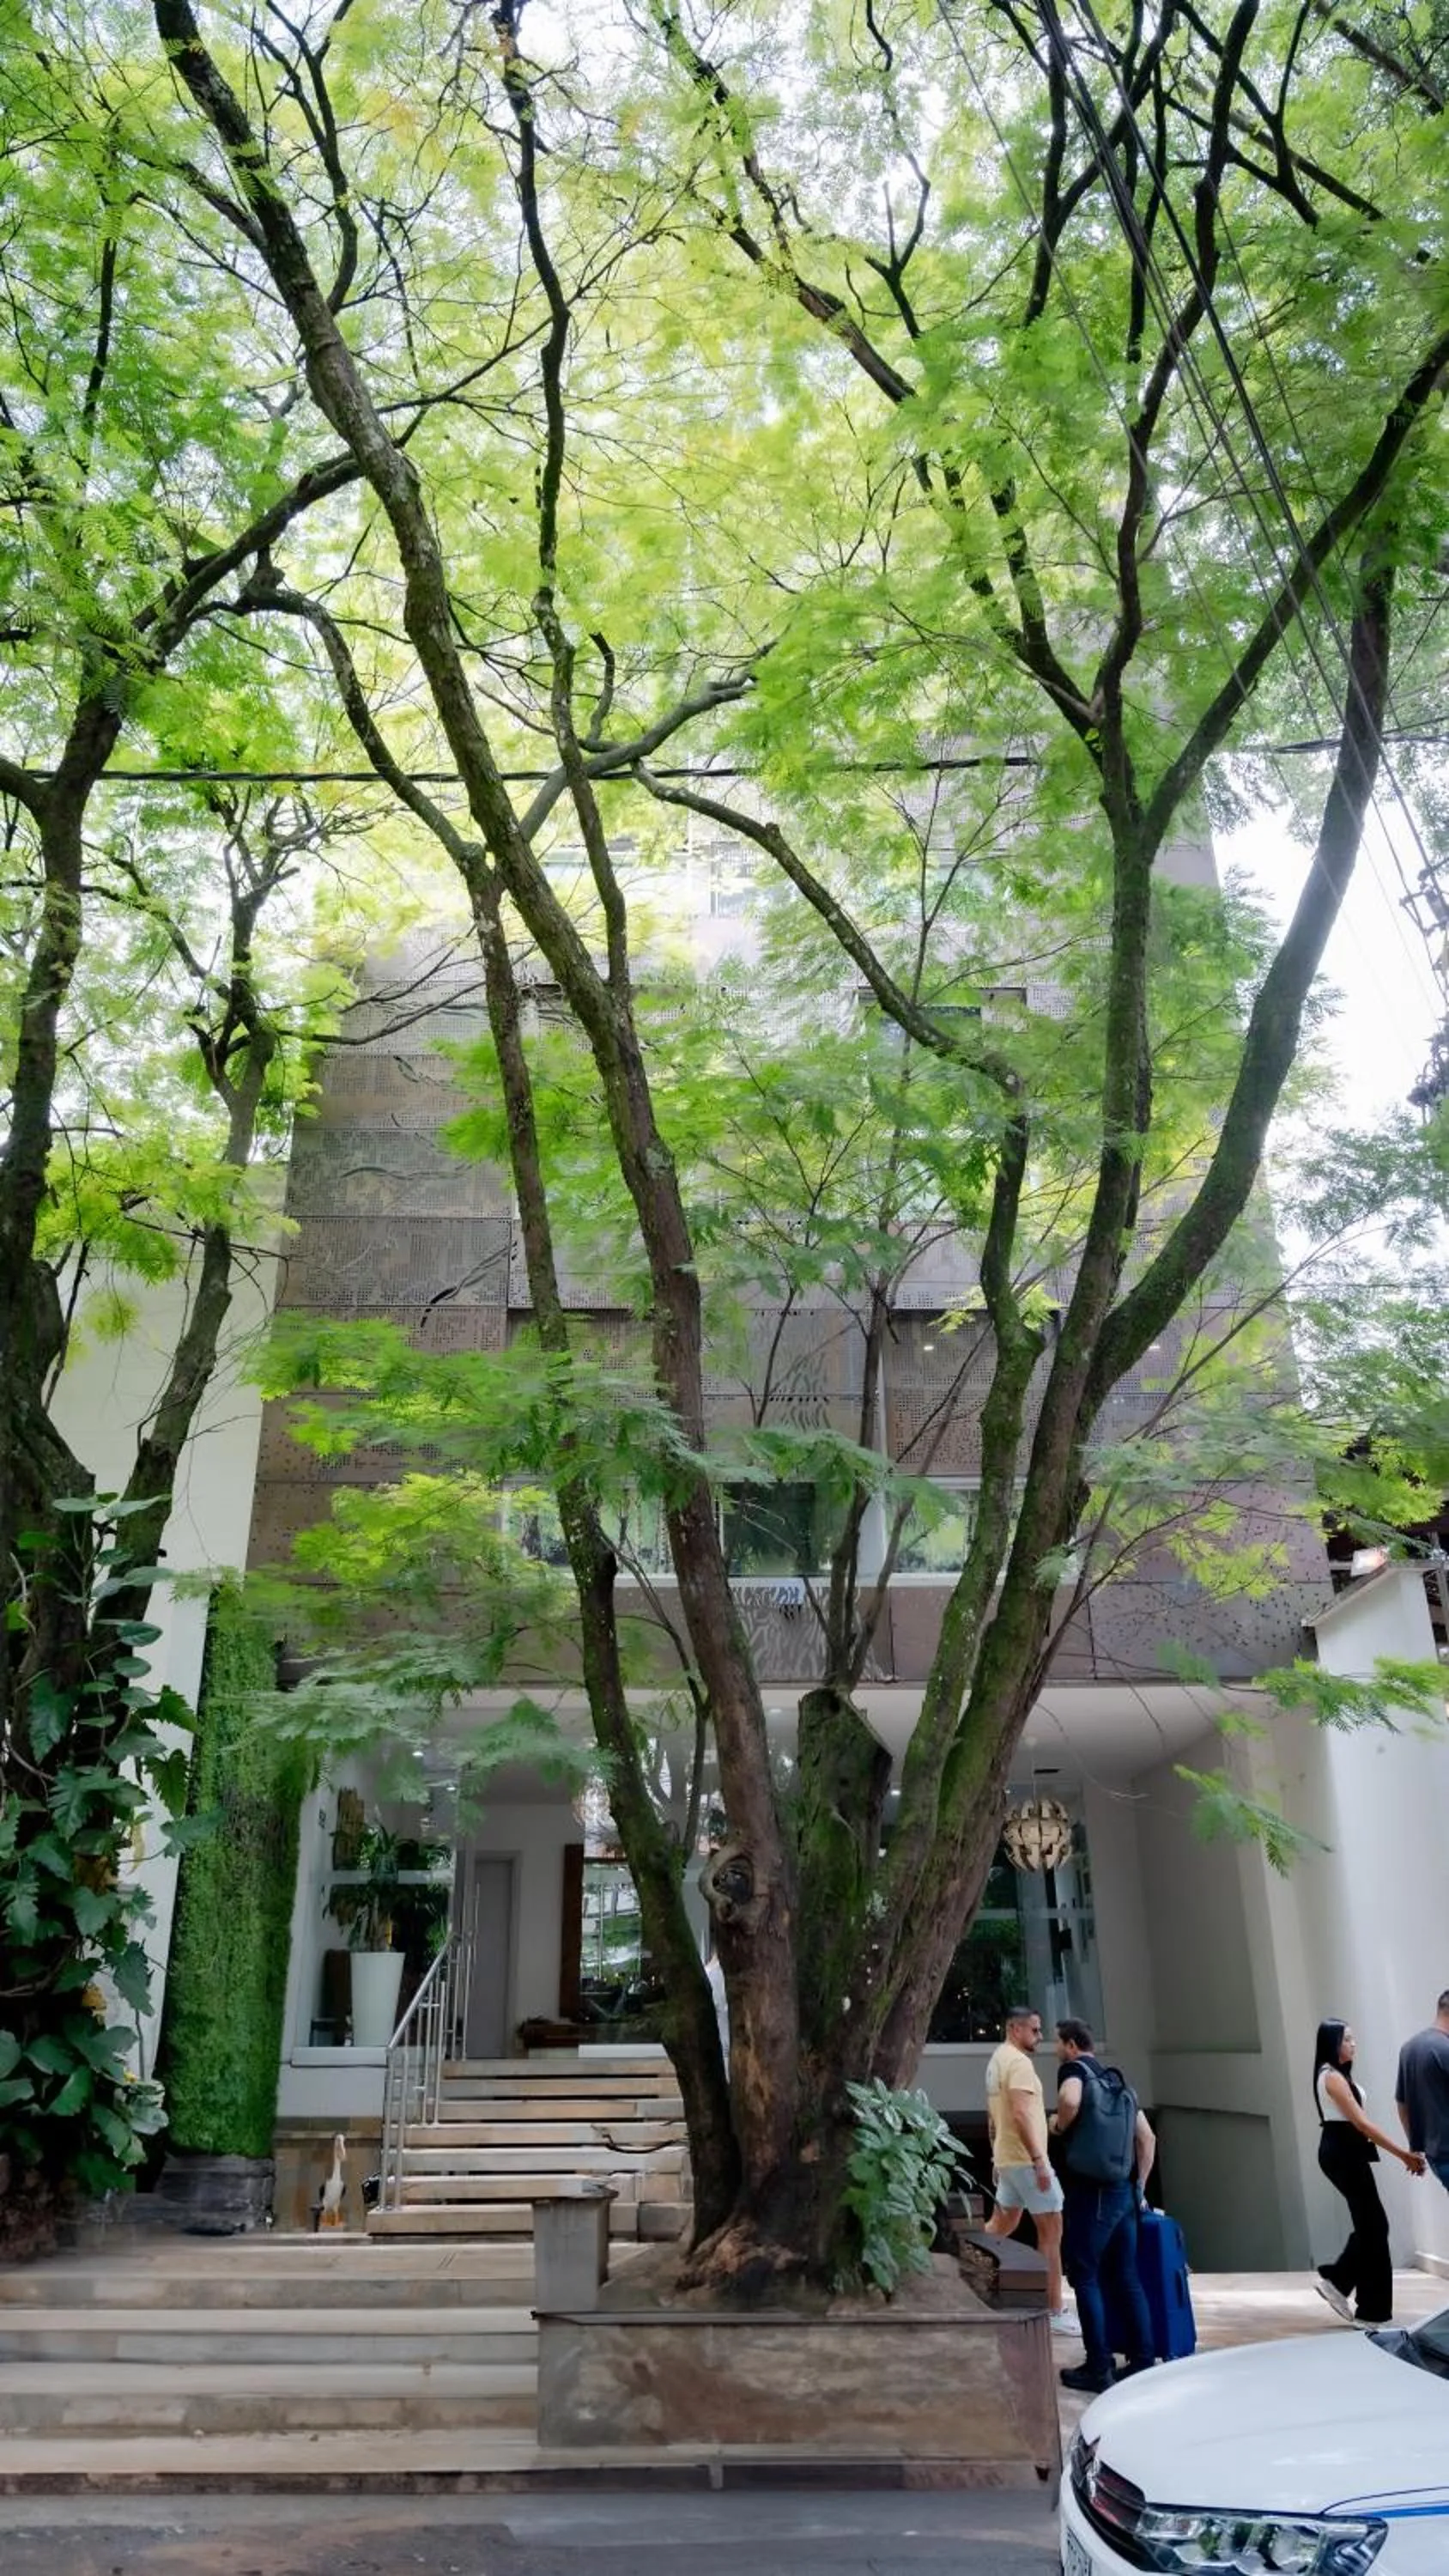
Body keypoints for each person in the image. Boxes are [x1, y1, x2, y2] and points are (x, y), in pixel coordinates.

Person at [1052, 2017, 1156, 2394]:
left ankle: (1099, 2366)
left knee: (1085, 2276)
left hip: (1091, 2195)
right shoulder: (1119, 2081)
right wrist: (1139, 2187)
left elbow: (1069, 2100)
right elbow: (1147, 2138)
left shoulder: (1073, 2070)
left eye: (1057, 2043)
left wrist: (1060, 2126)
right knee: (1127, 2277)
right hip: (1124, 2193)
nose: (1055, 2050)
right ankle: (1144, 2360)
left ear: (1071, 2044)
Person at [1313, 2016, 1423, 2328]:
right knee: (1374, 2226)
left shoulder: (1336, 2076)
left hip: (1348, 2151)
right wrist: (1403, 2154)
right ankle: (1361, 2304)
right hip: (1342, 2151)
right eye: (1347, 2039)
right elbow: (1362, 2125)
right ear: (1333, 2043)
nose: (1353, 2044)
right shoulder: (1331, 2077)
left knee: (1373, 2226)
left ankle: (1346, 2288)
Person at [984, 2003, 1074, 2334]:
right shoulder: (1019, 2064)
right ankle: (1054, 2310)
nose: (1039, 2036)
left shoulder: (996, 2060)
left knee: (1000, 2226)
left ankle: (966, 2278)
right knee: (1052, 2231)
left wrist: (996, 2155)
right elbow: (1020, 2114)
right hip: (1026, 2160)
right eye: (1034, 2030)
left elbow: (992, 2114)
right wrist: (1039, 2161)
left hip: (1008, 2159)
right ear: (1014, 2028)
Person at [1395, 1991, 1449, 2198]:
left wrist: (1414, 2147)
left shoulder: (1409, 2049)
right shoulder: (1445, 2049)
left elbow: (1402, 2104)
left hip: (1435, 2155)